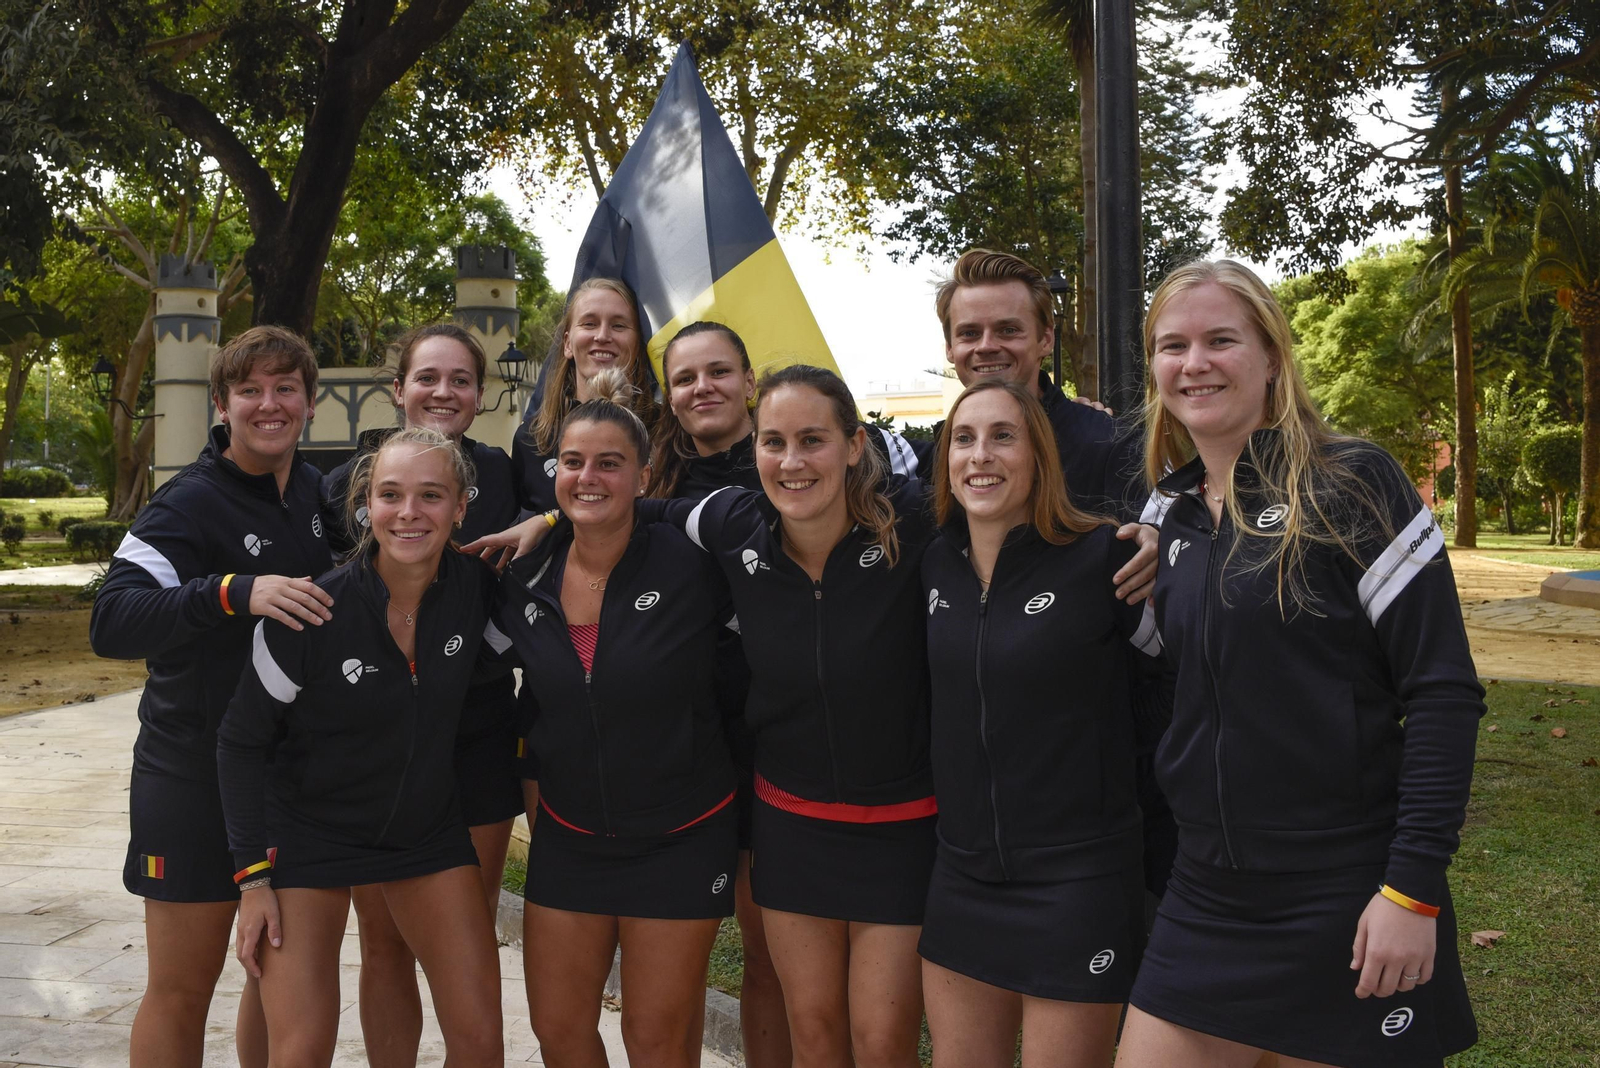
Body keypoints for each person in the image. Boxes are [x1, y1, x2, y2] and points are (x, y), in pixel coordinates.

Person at [1115, 260, 1482, 1068]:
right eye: (1172, 346)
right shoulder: (1165, 512)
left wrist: (1411, 892)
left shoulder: (1353, 482)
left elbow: (1444, 693)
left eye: (1221, 340)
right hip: (1203, 893)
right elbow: (1166, 676)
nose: (1194, 363)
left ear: (1273, 355)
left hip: (1345, 892)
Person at [638, 365, 937, 1068]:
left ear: (854, 444)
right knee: (815, 1033)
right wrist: (551, 519)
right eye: (774, 442)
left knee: (883, 1041)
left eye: (813, 440)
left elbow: (1022, 515)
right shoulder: (735, 521)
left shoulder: (918, 524)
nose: (792, 462)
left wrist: (1130, 541)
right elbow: (637, 509)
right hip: (792, 828)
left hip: (901, 828)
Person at [218, 427, 504, 1068]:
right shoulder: (312, 609)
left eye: (432, 495)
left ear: (461, 507)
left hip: (424, 832)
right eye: (391, 494)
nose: (409, 513)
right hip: (308, 834)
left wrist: (543, 525)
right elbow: (239, 741)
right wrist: (252, 880)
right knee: (302, 1048)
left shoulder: (476, 591)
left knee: (482, 1042)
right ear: (365, 505)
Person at [90, 325, 333, 1068]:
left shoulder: (320, 495)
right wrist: (233, 592)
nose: (269, 404)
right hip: (190, 778)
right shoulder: (188, 503)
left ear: (309, 403)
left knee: (274, 982)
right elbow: (112, 620)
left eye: (285, 388)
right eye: (250, 390)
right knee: (182, 988)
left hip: (286, 780)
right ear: (221, 407)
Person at [485, 368, 739, 1068]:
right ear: (553, 471)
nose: (587, 477)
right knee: (559, 1032)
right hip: (571, 837)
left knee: (656, 1040)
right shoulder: (524, 577)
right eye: (573, 462)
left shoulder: (691, 564)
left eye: (609, 463)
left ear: (645, 475)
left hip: (681, 835)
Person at [919, 380, 1168, 1068]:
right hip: (961, 876)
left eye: (1004, 436)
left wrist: (1160, 536)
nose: (980, 455)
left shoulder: (1107, 557)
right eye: (963, 439)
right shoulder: (932, 562)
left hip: (1078, 883)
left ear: (1039, 454)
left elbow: (1188, 670)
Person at [319, 324, 522, 1068]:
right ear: (396, 388)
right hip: (382, 745)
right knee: (383, 941)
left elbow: (570, 531)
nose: (443, 392)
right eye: (427, 377)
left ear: (479, 394)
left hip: (477, 732)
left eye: (461, 379)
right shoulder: (343, 482)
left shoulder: (511, 471)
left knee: (465, 935)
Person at [646, 321, 792, 1067]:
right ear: (668, 398)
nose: (702, 388)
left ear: (748, 382)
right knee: (680, 965)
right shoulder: (650, 484)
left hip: (779, 741)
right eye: (684, 378)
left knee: (767, 955)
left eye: (718, 372)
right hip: (684, 748)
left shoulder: (789, 469)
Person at [513, 277, 660, 514]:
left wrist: (550, 520)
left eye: (619, 325)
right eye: (589, 324)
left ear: (637, 342)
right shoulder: (532, 438)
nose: (602, 336)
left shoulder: (667, 431)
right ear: (568, 343)